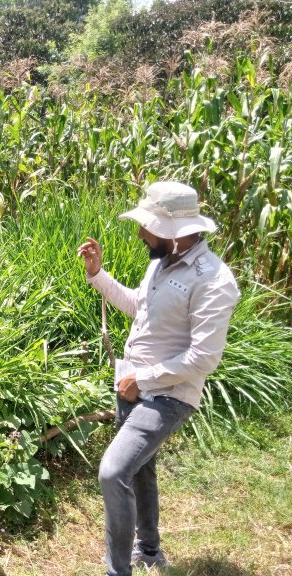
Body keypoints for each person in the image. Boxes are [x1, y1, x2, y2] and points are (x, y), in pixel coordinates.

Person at [77, 181, 239, 576]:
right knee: (138, 468)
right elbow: (140, 307)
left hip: (168, 395)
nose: (140, 233)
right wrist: (97, 274)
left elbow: (204, 358)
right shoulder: (161, 261)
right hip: (133, 385)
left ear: (176, 230)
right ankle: (149, 551)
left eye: (147, 226)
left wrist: (143, 379)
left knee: (113, 471)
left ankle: (119, 571)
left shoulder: (214, 281)